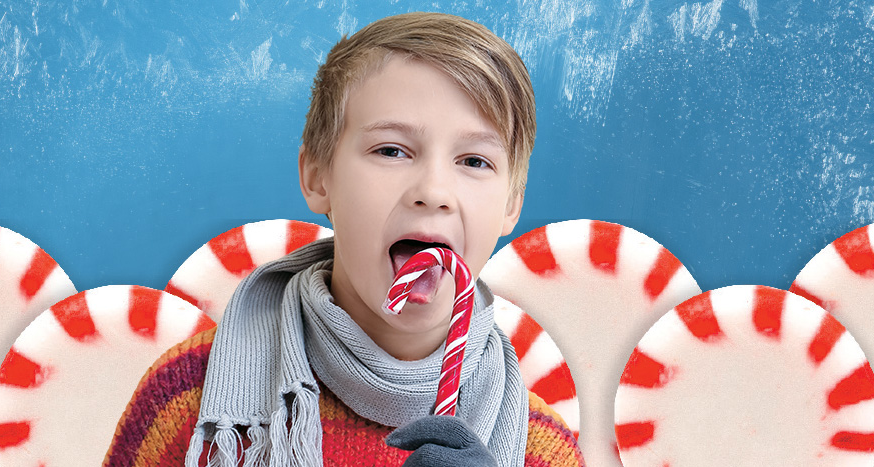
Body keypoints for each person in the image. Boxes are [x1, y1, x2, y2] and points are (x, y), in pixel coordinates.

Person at [104, 12, 584, 467]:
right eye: (391, 150)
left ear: (511, 204)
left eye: (475, 161)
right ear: (317, 177)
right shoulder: (195, 405)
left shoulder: (540, 449)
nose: (434, 192)